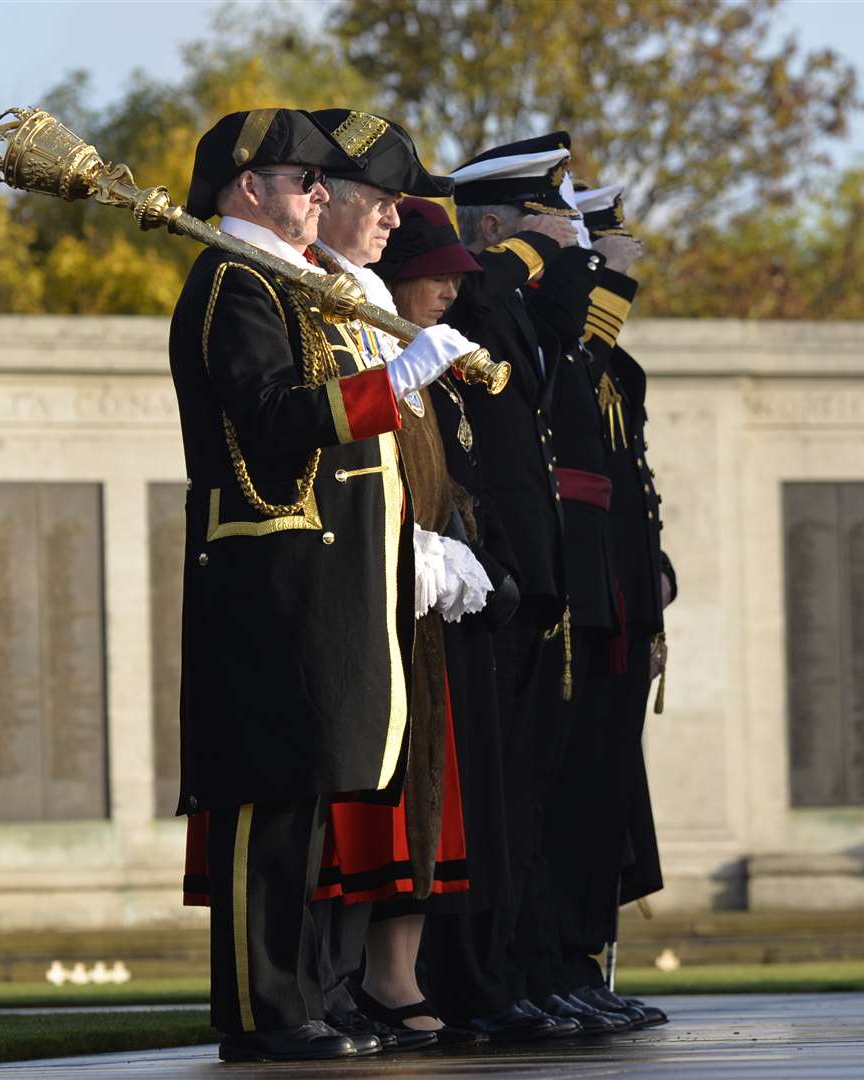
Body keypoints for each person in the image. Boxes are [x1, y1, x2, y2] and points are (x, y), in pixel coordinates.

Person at [169, 107, 478, 1063]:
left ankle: (305, 997)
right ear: (248, 186)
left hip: (329, 568)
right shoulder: (231, 279)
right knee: (268, 796)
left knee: (309, 797)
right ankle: (263, 1014)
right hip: (269, 565)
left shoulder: (297, 284)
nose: (318, 194)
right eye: (303, 180)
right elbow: (268, 417)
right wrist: (396, 384)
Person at [421, 132, 630, 1036]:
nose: (570, 253)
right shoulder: (471, 306)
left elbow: (580, 338)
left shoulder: (532, 326)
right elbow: (466, 313)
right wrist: (520, 253)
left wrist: (576, 261)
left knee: (532, 797)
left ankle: (521, 972)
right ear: (500, 228)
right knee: (497, 798)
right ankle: (477, 982)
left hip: (538, 582)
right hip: (495, 583)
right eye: (552, 228)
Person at [302, 109, 491, 1052]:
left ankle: (384, 977)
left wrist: (445, 536)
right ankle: (340, 982)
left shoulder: (364, 297)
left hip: (403, 587)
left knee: (415, 790)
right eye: (373, 201)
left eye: (389, 206)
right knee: (352, 797)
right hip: (346, 581)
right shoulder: (307, 295)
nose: (384, 220)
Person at [543, 179, 675, 1026]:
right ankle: (552, 961)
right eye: (604, 261)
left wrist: (656, 572)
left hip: (620, 601)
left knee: (603, 796)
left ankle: (581, 959)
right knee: (568, 797)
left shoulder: (612, 366)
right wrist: (604, 291)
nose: (620, 275)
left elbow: (631, 487)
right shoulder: (571, 356)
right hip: (576, 603)